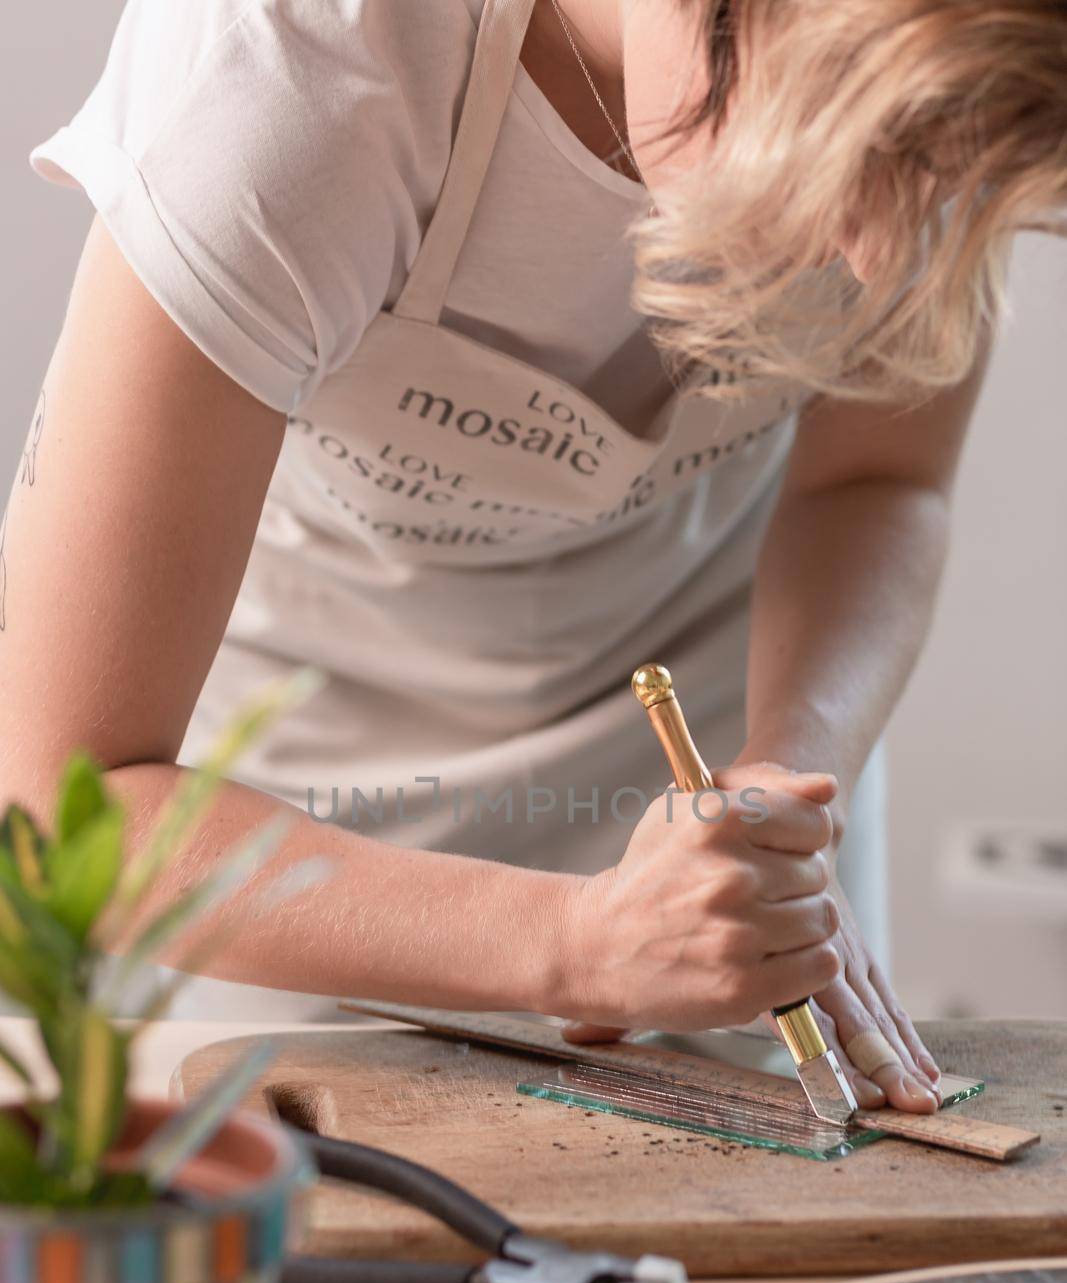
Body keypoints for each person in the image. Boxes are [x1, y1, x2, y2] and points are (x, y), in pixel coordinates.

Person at [3, 0, 1064, 1111]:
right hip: (292, 819)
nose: (876, 257)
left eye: (945, 188)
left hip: (708, 730)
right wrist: (570, 937)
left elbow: (875, 482)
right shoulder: (281, 75)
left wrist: (787, 784)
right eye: (851, 155)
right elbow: (55, 807)